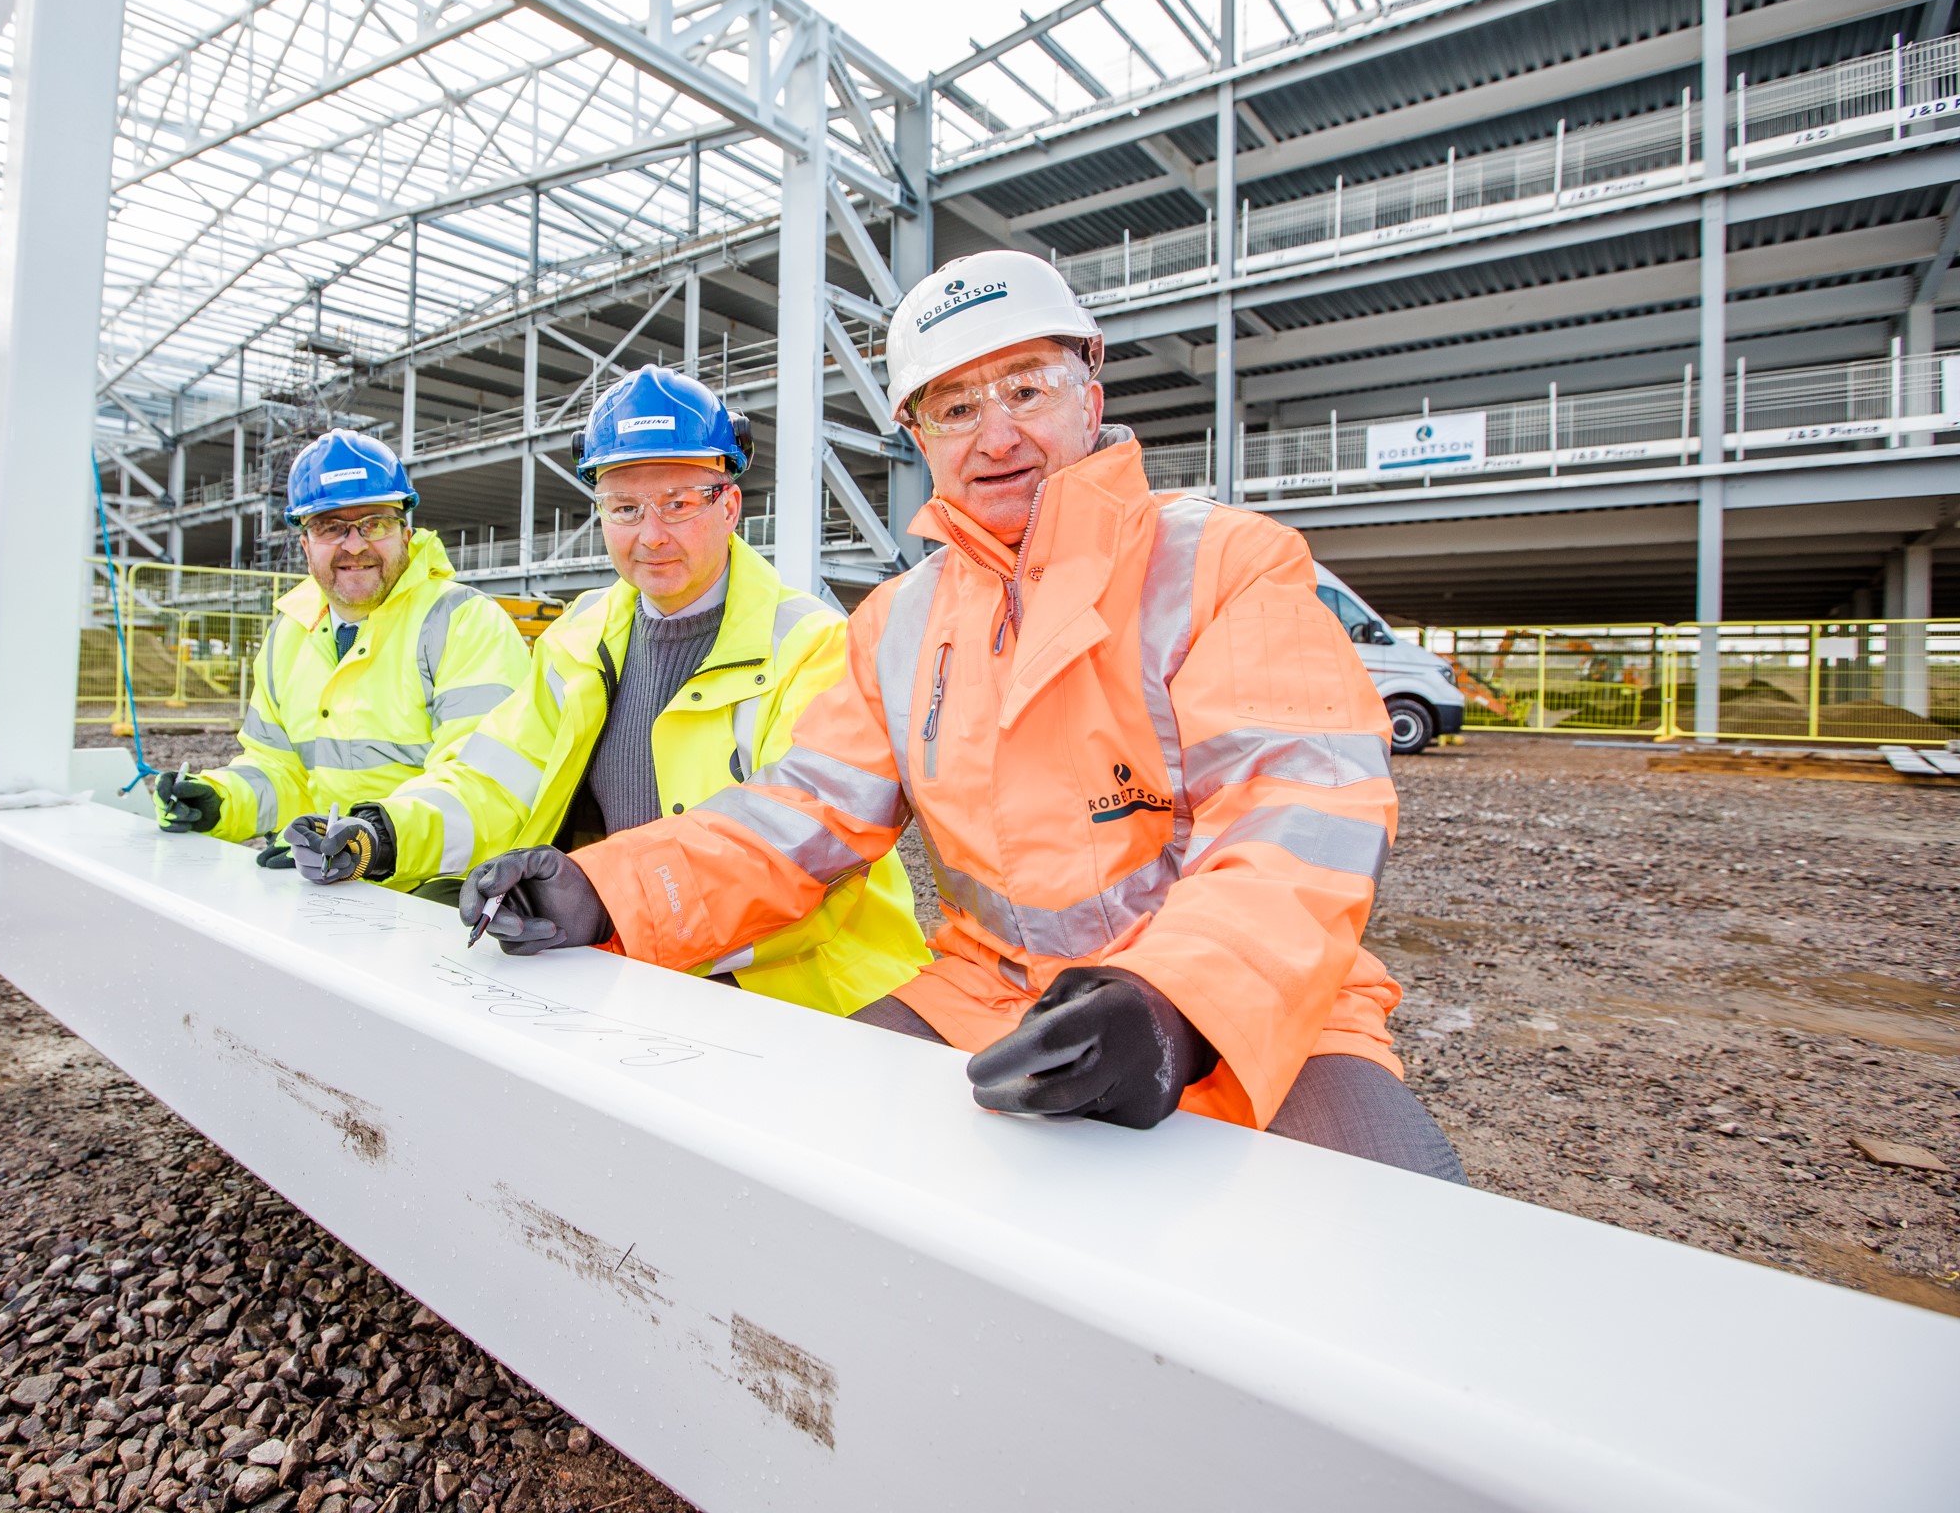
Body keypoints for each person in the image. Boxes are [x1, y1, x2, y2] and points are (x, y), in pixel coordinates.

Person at [455, 253, 1464, 1180]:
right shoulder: (902, 622)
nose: (996, 435)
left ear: (1090, 398)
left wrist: (1177, 1003)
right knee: (796, 1176)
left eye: (1026, 389)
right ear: (917, 437)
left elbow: (1297, 814)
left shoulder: (1227, 565)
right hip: (991, 994)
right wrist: (605, 888)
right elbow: (801, 815)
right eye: (954, 408)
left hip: (1259, 1002)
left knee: (1386, 1255)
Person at [283, 365, 930, 1023]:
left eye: (679, 503)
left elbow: (796, 850)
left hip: (808, 998)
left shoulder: (811, 647)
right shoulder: (579, 639)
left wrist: (608, 897)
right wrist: (383, 833)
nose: (651, 534)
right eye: (625, 508)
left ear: (729, 504)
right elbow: (496, 779)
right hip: (639, 962)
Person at [153, 430, 529, 889]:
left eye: (375, 523)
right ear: (306, 544)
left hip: (447, 886)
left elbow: (486, 785)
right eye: (331, 526)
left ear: (406, 533)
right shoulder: (288, 633)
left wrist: (377, 839)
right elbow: (280, 771)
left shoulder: (463, 622)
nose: (354, 545)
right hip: (332, 874)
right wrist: (220, 802)